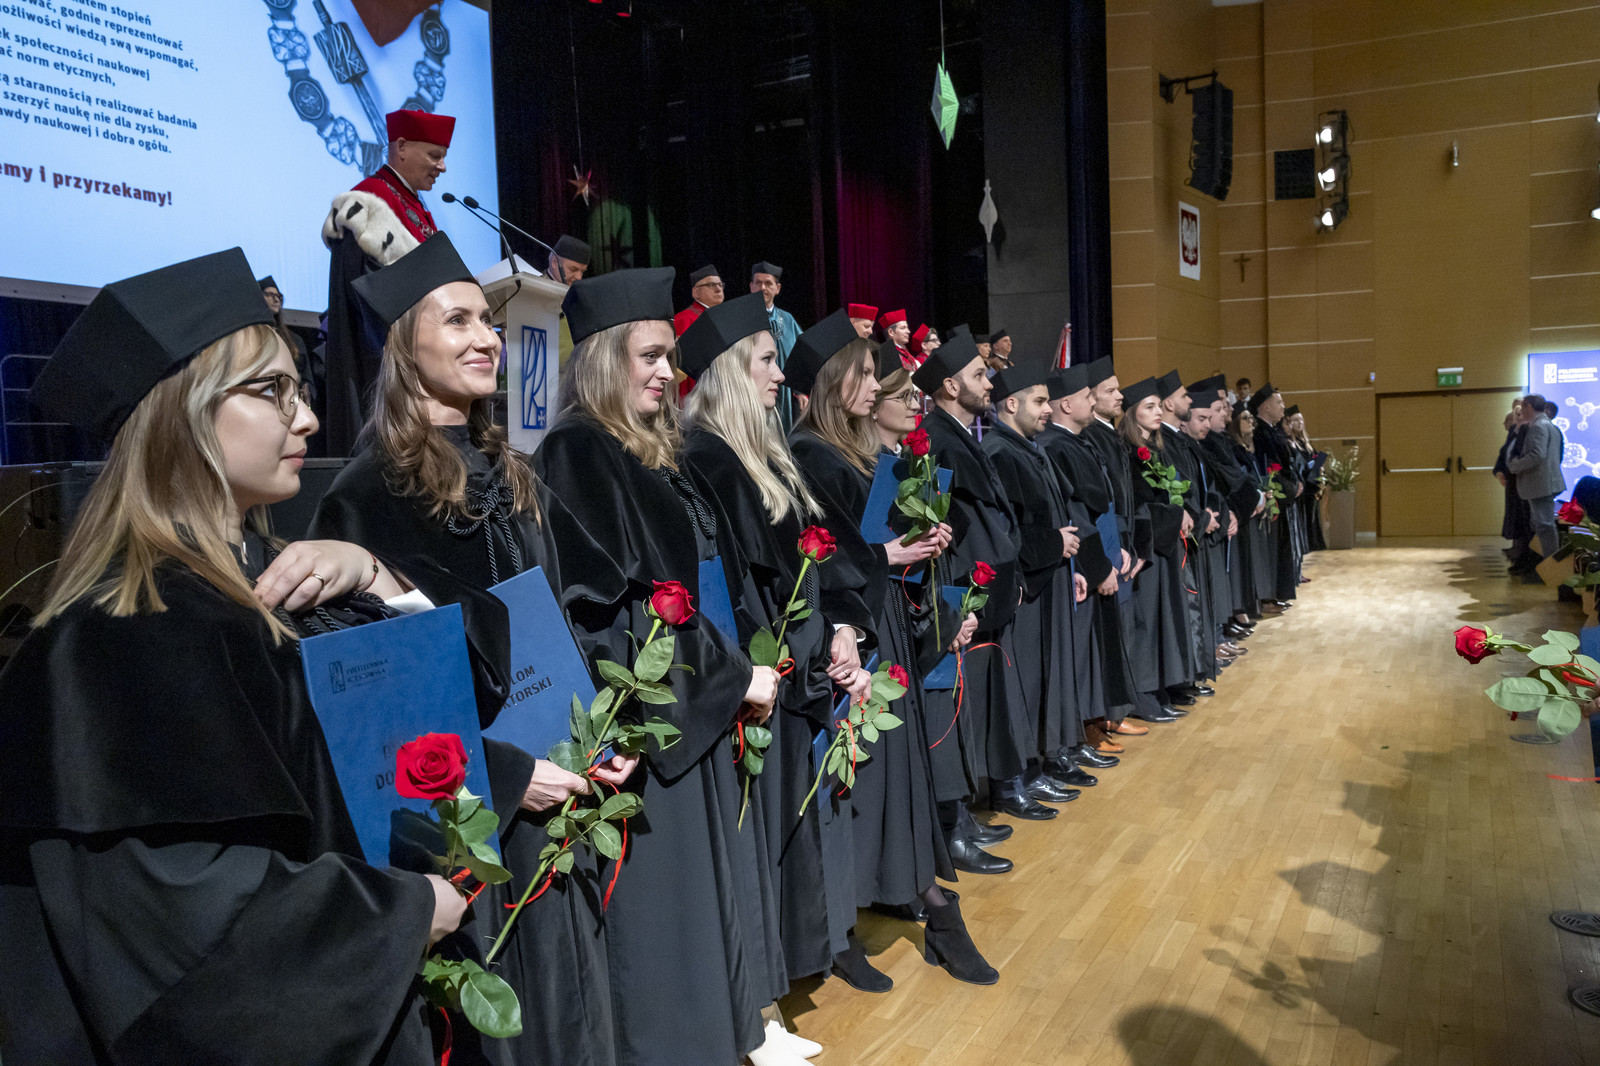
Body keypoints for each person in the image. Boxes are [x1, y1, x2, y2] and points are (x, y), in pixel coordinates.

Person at [2, 248, 464, 1065]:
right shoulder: (126, 629)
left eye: (300, 389)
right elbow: (186, 927)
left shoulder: (268, 579)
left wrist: (377, 573)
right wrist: (401, 914)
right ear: (182, 414)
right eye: (270, 391)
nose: (308, 420)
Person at [307, 233, 631, 1066]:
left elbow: (571, 610)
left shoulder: (515, 472)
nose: (487, 338)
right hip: (466, 810)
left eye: (488, 322)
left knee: (573, 1002)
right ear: (402, 345)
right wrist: (510, 774)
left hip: (562, 776)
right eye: (458, 321)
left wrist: (601, 730)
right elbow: (375, 699)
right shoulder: (365, 495)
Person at [532, 268, 786, 1066]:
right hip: (649, 726)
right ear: (602, 359)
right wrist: (730, 678)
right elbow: (615, 611)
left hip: (693, 706)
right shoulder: (578, 450)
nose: (666, 372)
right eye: (648, 356)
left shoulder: (652, 450)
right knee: (665, 934)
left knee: (704, 917)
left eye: (668, 357)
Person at [787, 311, 997, 986]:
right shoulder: (809, 454)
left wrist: (918, 549)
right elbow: (818, 561)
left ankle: (917, 904)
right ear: (832, 381)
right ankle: (853, 928)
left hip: (883, 624)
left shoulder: (851, 452)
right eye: (864, 373)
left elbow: (872, 546)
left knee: (892, 779)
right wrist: (889, 553)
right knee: (857, 783)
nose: (877, 384)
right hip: (848, 637)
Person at [678, 293, 864, 1049]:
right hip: (756, 680)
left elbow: (802, 569)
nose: (780, 375)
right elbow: (738, 590)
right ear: (730, 370)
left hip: (787, 672)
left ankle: (768, 1002)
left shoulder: (759, 453)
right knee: (750, 846)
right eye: (765, 360)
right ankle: (756, 1014)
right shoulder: (707, 459)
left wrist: (839, 628)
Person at [913, 332, 1047, 824]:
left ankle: (1001, 789)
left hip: (990, 588)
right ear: (950, 386)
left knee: (992, 697)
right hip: (966, 592)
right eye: (977, 375)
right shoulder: (935, 439)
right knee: (963, 706)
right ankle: (964, 813)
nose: (989, 382)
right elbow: (949, 528)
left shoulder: (962, 434)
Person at [983, 359, 1102, 800]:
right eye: (1039, 402)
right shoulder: (999, 452)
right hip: (1026, 586)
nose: (1048, 409)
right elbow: (1008, 531)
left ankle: (1047, 756)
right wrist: (1056, 545)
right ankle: (1025, 772)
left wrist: (1069, 564)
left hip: (1050, 576)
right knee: (1027, 681)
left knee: (1049, 674)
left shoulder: (1027, 447)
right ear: (1011, 404)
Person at [322, 108, 456, 454]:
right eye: (435, 155)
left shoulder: (415, 205)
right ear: (402, 147)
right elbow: (369, 304)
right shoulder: (367, 204)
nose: (442, 167)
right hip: (384, 374)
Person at [1036, 363, 1136, 765]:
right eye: (1087, 396)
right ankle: (1083, 732)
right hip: (1081, 566)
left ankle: (1098, 722)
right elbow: (1076, 514)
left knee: (1097, 647)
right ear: (1066, 404)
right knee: (1081, 653)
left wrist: (1118, 551)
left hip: (1100, 557)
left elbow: (1104, 505)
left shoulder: (1079, 442)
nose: (1094, 401)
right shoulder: (1055, 446)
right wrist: (1098, 568)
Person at [1250, 383, 1301, 606]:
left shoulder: (1273, 431)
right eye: (1279, 402)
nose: (1283, 406)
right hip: (1273, 498)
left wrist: (1295, 484)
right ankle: (1270, 596)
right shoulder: (1260, 434)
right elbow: (1269, 468)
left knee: (1281, 547)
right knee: (1272, 550)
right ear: (1266, 407)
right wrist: (1290, 488)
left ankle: (1278, 593)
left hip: (1282, 497)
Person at [1507, 391, 1566, 562]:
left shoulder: (1537, 426)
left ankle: (1551, 564)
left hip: (1540, 483)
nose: (1521, 411)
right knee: (1541, 524)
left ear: (1529, 406)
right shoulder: (1549, 425)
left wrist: (1515, 465)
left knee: (1544, 525)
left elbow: (1537, 455)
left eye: (1522, 407)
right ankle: (1547, 562)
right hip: (1546, 482)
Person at [1495, 399, 1533, 565]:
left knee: (1524, 521)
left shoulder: (1529, 431)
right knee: (1515, 518)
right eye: (1514, 414)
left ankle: (1525, 559)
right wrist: (1499, 471)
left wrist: (1514, 467)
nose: (1516, 417)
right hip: (1513, 482)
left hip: (1525, 481)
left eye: (1519, 414)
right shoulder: (1514, 431)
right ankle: (1518, 553)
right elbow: (1504, 453)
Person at [674, 264, 726, 336]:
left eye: (720, 285)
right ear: (696, 292)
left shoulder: (725, 317)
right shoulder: (683, 319)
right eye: (711, 285)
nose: (718, 289)